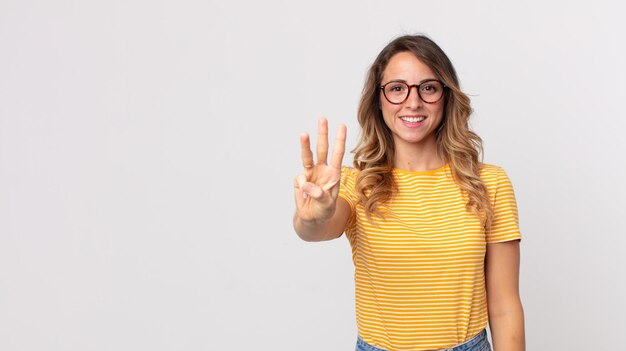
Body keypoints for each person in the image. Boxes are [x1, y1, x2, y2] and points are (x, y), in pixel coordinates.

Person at [293, 35, 525, 351]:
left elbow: (505, 306)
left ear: (446, 96)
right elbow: (317, 228)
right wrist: (312, 216)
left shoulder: (490, 183)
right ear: (379, 99)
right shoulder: (354, 184)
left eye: (427, 88)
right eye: (397, 89)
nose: (412, 102)